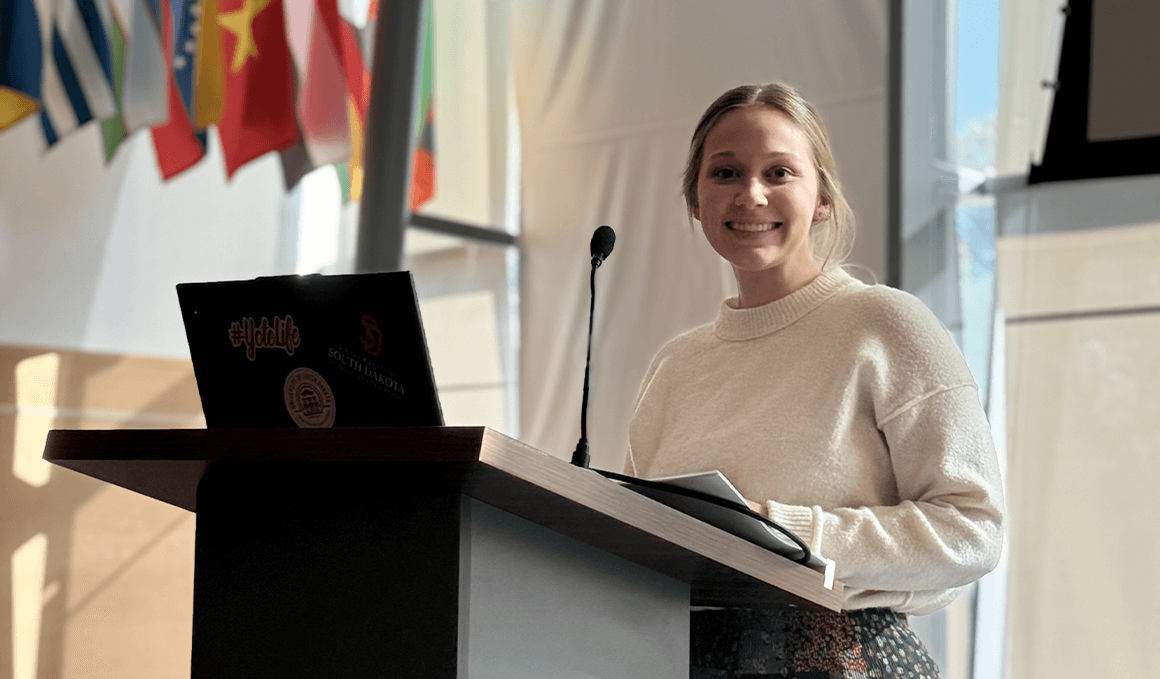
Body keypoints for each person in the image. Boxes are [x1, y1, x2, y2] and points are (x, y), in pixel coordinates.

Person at [624, 83, 1005, 678]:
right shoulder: (675, 367)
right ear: (695, 200)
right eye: (725, 172)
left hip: (846, 661)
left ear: (822, 197)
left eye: (778, 172)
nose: (751, 194)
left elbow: (972, 528)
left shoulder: (884, 324)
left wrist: (783, 532)